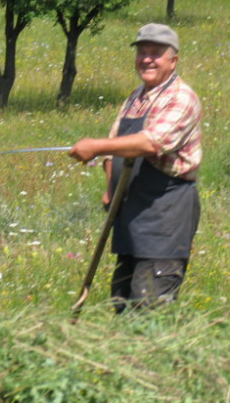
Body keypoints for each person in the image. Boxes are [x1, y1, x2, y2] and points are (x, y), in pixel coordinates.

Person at [69, 23, 202, 313]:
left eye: (155, 53)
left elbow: (151, 144)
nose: (147, 59)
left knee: (148, 309)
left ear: (173, 60)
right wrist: (110, 190)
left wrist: (94, 145)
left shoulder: (180, 97)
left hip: (164, 213)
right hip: (129, 211)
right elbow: (115, 143)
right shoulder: (136, 97)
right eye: (142, 53)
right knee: (122, 301)